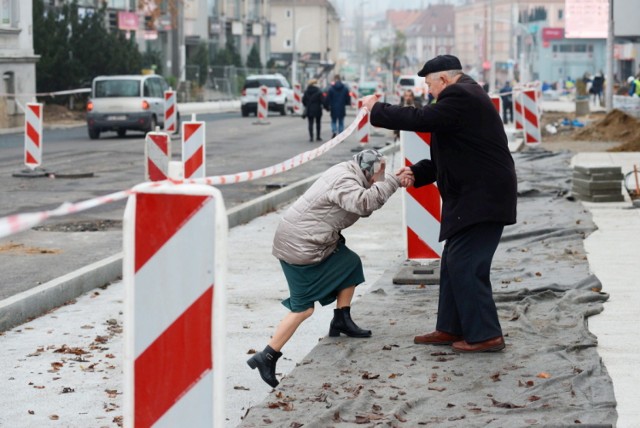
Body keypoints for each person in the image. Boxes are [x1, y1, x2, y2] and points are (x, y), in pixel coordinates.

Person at [361, 54, 517, 353]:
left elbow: (420, 119)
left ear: (444, 80)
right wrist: (417, 172)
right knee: (453, 262)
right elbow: (451, 154)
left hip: (482, 196)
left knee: (467, 265)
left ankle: (486, 334)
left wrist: (376, 110)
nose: (429, 92)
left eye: (430, 85)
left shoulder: (462, 94)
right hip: (474, 195)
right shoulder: (466, 97)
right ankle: (451, 327)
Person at [247, 149, 401, 387]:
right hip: (301, 248)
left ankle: (341, 318)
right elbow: (364, 203)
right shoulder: (345, 182)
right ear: (368, 171)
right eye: (376, 177)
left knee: (349, 263)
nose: (376, 182)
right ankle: (266, 356)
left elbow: (365, 204)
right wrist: (394, 182)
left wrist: (387, 182)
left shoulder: (348, 172)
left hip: (300, 241)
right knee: (303, 308)